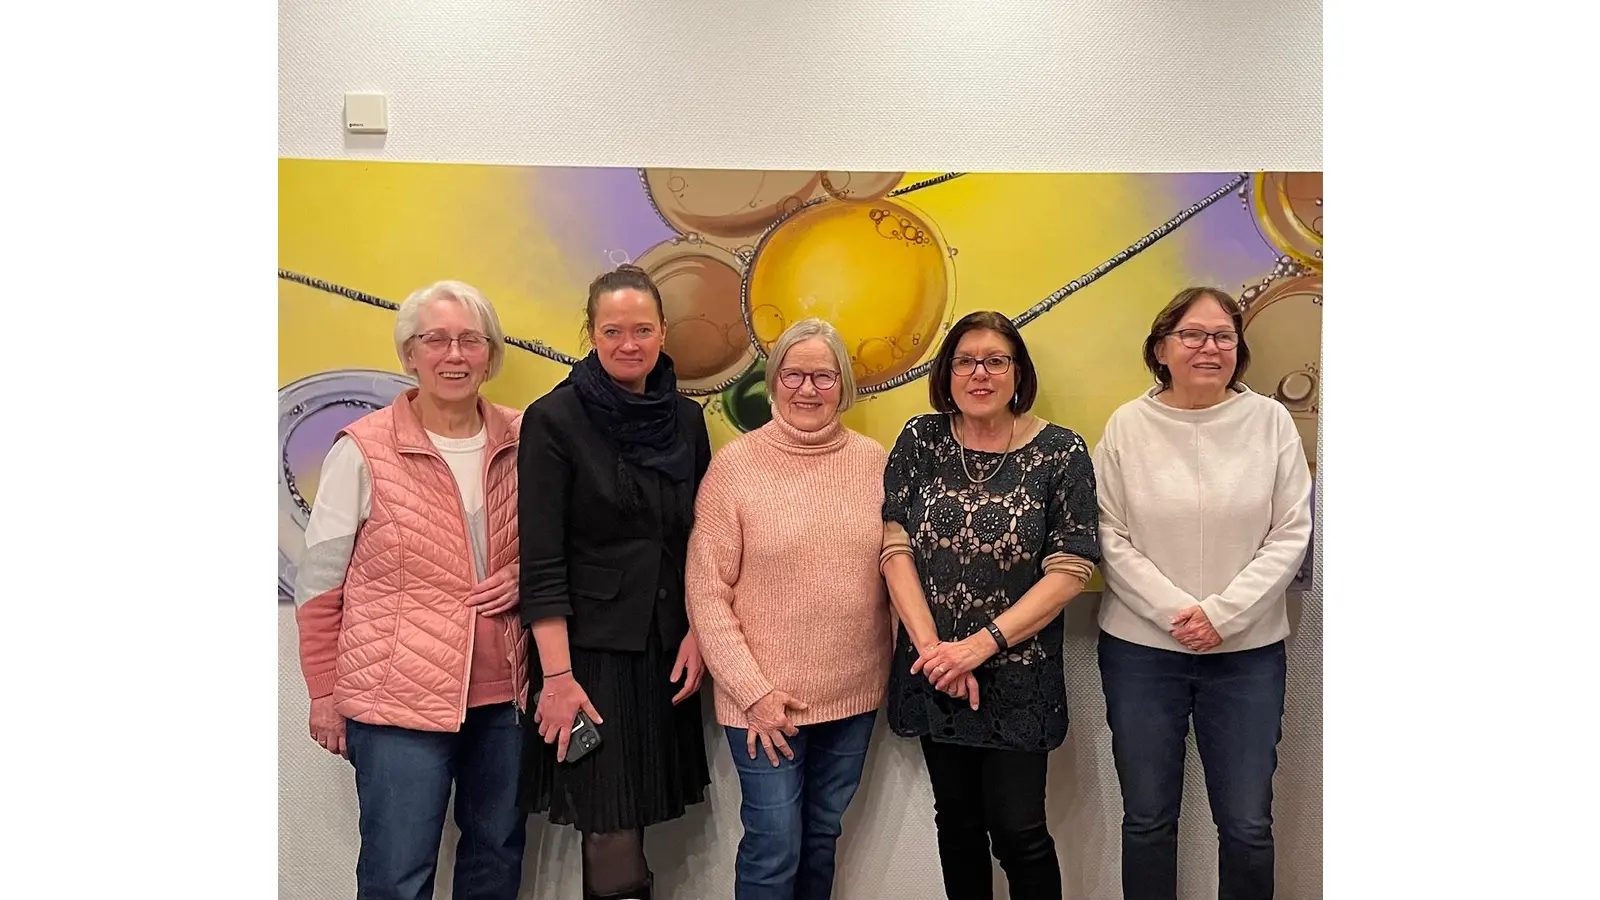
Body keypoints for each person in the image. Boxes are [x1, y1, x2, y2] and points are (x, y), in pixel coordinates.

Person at [292, 280, 528, 900]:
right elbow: (320, 581)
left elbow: (563, 547)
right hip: (394, 702)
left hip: (505, 699)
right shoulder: (364, 449)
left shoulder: (526, 438)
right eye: (436, 340)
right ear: (409, 355)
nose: (454, 355)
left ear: (491, 353)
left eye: (470, 340)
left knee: (496, 862)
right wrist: (323, 692)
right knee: (398, 873)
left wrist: (527, 578)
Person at [1093, 287, 1313, 900]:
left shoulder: (1270, 421)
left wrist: (1221, 615)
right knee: (1146, 821)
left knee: (1246, 825)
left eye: (1222, 336)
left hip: (1246, 655)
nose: (1208, 347)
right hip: (1142, 653)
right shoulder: (1127, 426)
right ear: (1161, 348)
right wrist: (1175, 614)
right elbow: (1108, 533)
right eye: (1192, 335)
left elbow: (1292, 529)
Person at [880, 310, 1101, 900]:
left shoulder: (1060, 452)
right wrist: (935, 654)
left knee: (1019, 831)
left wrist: (978, 648)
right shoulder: (919, 440)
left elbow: (1072, 569)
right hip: (934, 672)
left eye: (995, 360)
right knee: (956, 827)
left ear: (1018, 373)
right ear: (947, 374)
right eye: (965, 361)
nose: (979, 373)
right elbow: (894, 548)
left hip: (1018, 676)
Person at [517, 264, 712, 900]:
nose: (629, 344)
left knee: (639, 817)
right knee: (607, 825)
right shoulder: (555, 418)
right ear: (591, 334)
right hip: (588, 657)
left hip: (664, 648)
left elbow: (698, 541)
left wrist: (697, 632)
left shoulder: (685, 418)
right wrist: (558, 677)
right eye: (612, 331)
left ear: (662, 331)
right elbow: (541, 559)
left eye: (643, 329)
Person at [685, 318, 892, 900]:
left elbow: (895, 574)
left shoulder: (875, 462)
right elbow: (706, 591)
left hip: (852, 695)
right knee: (774, 847)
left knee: (822, 835)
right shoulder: (736, 466)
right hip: (763, 703)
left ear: (843, 386)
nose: (808, 389)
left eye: (823, 376)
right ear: (773, 383)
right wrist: (753, 692)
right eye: (794, 374)